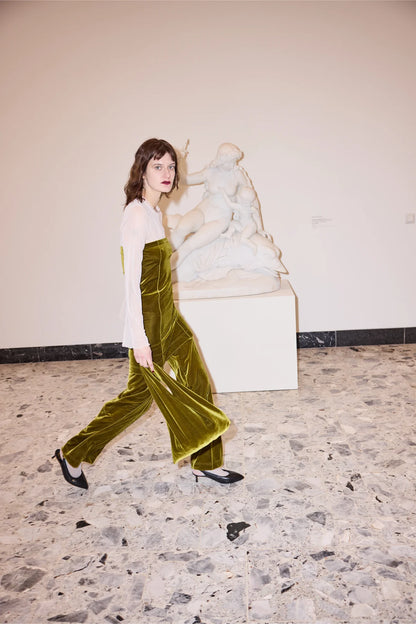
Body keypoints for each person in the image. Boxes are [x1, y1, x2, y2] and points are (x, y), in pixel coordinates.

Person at [54, 138, 244, 489]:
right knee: (137, 400)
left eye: (171, 166)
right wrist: (139, 339)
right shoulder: (136, 215)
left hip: (169, 316)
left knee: (197, 380)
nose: (167, 172)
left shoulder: (156, 213)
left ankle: (205, 462)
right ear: (142, 170)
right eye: (158, 166)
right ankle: (73, 451)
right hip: (149, 322)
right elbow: (130, 283)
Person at [170, 143, 255, 270]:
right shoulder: (210, 172)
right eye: (231, 161)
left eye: (234, 161)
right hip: (202, 210)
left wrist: (257, 226)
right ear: (222, 159)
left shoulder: (237, 175)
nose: (233, 164)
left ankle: (161, 274)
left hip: (220, 219)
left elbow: (251, 197)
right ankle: (155, 260)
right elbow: (184, 180)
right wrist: (178, 160)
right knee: (181, 228)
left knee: (189, 246)